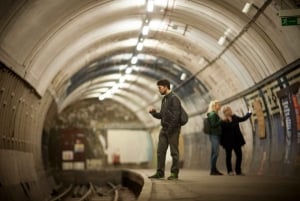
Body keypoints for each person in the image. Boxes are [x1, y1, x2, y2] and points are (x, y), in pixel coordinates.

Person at [148, 79, 182, 180]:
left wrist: (170, 129)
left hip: (173, 129)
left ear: (166, 87)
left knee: (174, 152)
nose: (159, 90)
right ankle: (160, 173)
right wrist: (154, 113)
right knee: (160, 151)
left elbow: (176, 116)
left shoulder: (174, 99)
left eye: (160, 87)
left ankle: (174, 173)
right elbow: (162, 116)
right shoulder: (165, 99)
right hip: (164, 129)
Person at [221, 106, 252, 176]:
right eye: (228, 110)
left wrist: (249, 113)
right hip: (228, 142)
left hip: (236, 140)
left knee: (239, 155)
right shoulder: (223, 122)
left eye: (230, 110)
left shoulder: (235, 117)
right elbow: (223, 133)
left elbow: (243, 119)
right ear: (225, 112)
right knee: (228, 156)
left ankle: (238, 170)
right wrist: (223, 143)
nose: (230, 111)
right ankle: (229, 171)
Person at [207, 100, 223, 175]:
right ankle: (213, 170)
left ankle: (214, 169)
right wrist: (220, 120)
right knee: (216, 152)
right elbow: (213, 124)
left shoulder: (213, 114)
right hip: (214, 135)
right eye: (218, 104)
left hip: (215, 135)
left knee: (214, 152)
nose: (220, 106)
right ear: (214, 105)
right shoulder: (213, 114)